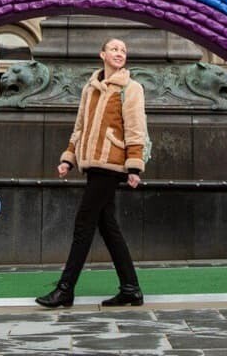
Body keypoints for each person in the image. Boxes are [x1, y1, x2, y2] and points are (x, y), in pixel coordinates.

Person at [35, 38, 148, 309]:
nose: (120, 53)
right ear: (102, 54)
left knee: (84, 224)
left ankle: (65, 290)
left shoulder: (131, 88)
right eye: (114, 49)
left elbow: (136, 127)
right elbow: (80, 127)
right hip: (91, 162)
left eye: (123, 49)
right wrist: (69, 158)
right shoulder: (90, 88)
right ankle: (131, 289)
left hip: (111, 164)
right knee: (108, 227)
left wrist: (134, 165)